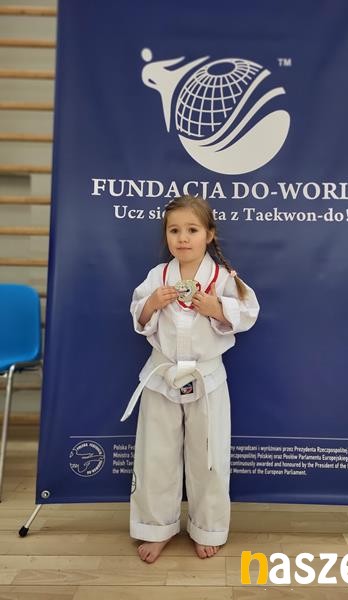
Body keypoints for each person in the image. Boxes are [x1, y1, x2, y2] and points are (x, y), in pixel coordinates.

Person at [120, 195, 259, 563]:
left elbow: (248, 312)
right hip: (162, 376)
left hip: (207, 378)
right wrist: (152, 304)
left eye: (192, 230)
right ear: (166, 236)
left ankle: (208, 528)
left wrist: (217, 308)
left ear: (209, 235)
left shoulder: (222, 278)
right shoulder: (157, 276)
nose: (183, 238)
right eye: (174, 230)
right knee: (156, 456)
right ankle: (156, 527)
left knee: (209, 457)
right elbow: (139, 315)